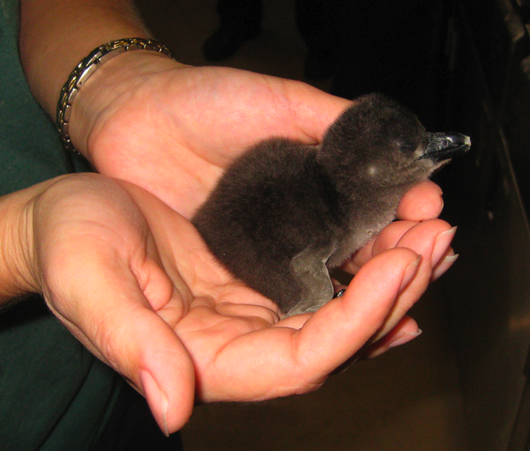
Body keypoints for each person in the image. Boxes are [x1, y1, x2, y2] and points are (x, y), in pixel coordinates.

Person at [1, 0, 457, 449]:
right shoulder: (326, 210)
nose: (432, 148)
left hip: (115, 396)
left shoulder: (315, 177)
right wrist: (21, 241)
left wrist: (118, 89)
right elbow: (304, 260)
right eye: (410, 150)